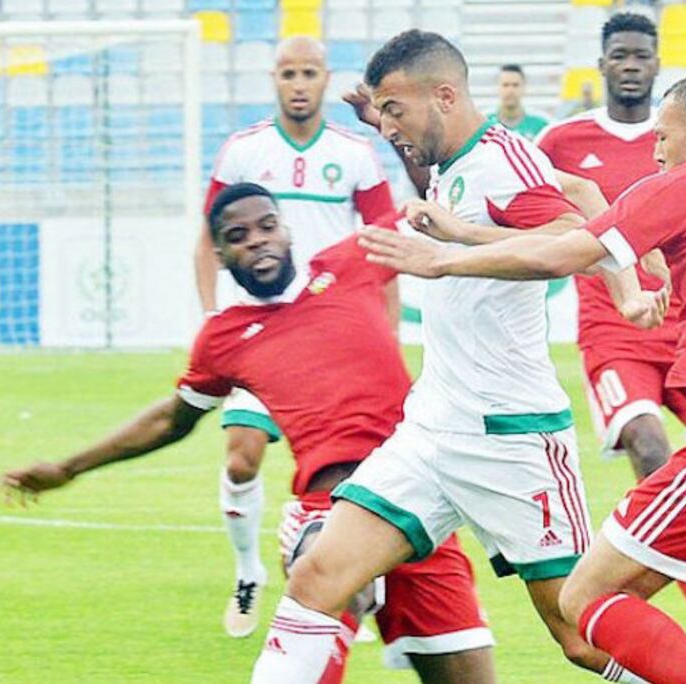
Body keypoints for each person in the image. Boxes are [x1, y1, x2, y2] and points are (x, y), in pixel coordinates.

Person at [360, 70, 686, 684]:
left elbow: (563, 252)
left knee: (586, 598)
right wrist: (463, 228)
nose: (654, 149)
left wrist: (443, 260)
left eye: (665, 136)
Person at [248, 30, 649, 684]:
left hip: (513, 440)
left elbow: (575, 238)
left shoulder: (502, 163)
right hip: (432, 433)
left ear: (443, 96)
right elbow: (580, 194)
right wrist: (384, 126)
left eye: (396, 110)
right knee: (317, 574)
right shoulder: (456, 158)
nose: (390, 125)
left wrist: (452, 251)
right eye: (383, 112)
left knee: (580, 636)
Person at [3, 184, 497, 683]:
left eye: (266, 226)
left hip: (420, 511)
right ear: (219, 255)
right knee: (334, 577)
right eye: (238, 236)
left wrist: (403, 131)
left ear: (285, 229)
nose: (257, 241)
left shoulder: (349, 261)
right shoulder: (224, 338)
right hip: (332, 508)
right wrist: (67, 468)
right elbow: (170, 420)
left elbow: (428, 205)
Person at [535, 12, 686, 658]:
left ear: (655, 64)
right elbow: (531, 210)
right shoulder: (562, 140)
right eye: (618, 53)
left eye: (640, 54)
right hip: (613, 331)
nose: (629, 63)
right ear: (601, 63)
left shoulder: (681, 140)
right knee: (647, 442)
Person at [191, 37, 402, 639]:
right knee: (239, 457)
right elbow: (206, 237)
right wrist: (213, 316)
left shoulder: (355, 153)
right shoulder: (243, 151)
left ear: (325, 77)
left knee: (357, 472)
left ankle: (364, 575)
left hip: (335, 333)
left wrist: (381, 334)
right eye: (289, 73)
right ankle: (248, 568)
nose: (299, 84)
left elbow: (383, 241)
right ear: (274, 79)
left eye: (310, 73)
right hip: (260, 335)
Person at [489, 64, 551, 139]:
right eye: (505, 85)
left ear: (524, 87)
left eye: (515, 85)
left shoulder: (541, 124)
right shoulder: (484, 123)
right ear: (497, 87)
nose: (510, 90)